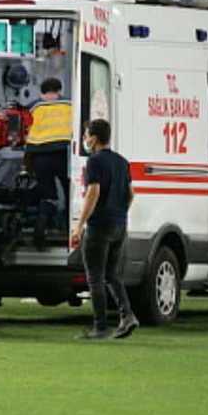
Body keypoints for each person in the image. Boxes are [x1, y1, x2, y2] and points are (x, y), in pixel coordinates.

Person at [69, 119, 139, 340]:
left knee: (95, 277)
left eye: (86, 135)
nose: (85, 139)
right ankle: (127, 315)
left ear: (95, 138)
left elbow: (93, 192)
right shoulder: (121, 162)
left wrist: (79, 225)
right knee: (112, 274)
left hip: (99, 225)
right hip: (120, 224)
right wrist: (119, 213)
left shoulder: (95, 162)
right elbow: (131, 194)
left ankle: (100, 327)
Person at [25, 77, 73, 250]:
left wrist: (28, 163)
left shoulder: (34, 106)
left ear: (42, 92)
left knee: (48, 195)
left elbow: (26, 132)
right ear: (59, 90)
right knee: (70, 192)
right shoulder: (70, 105)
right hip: (64, 155)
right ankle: (69, 232)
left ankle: (40, 232)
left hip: (40, 156)